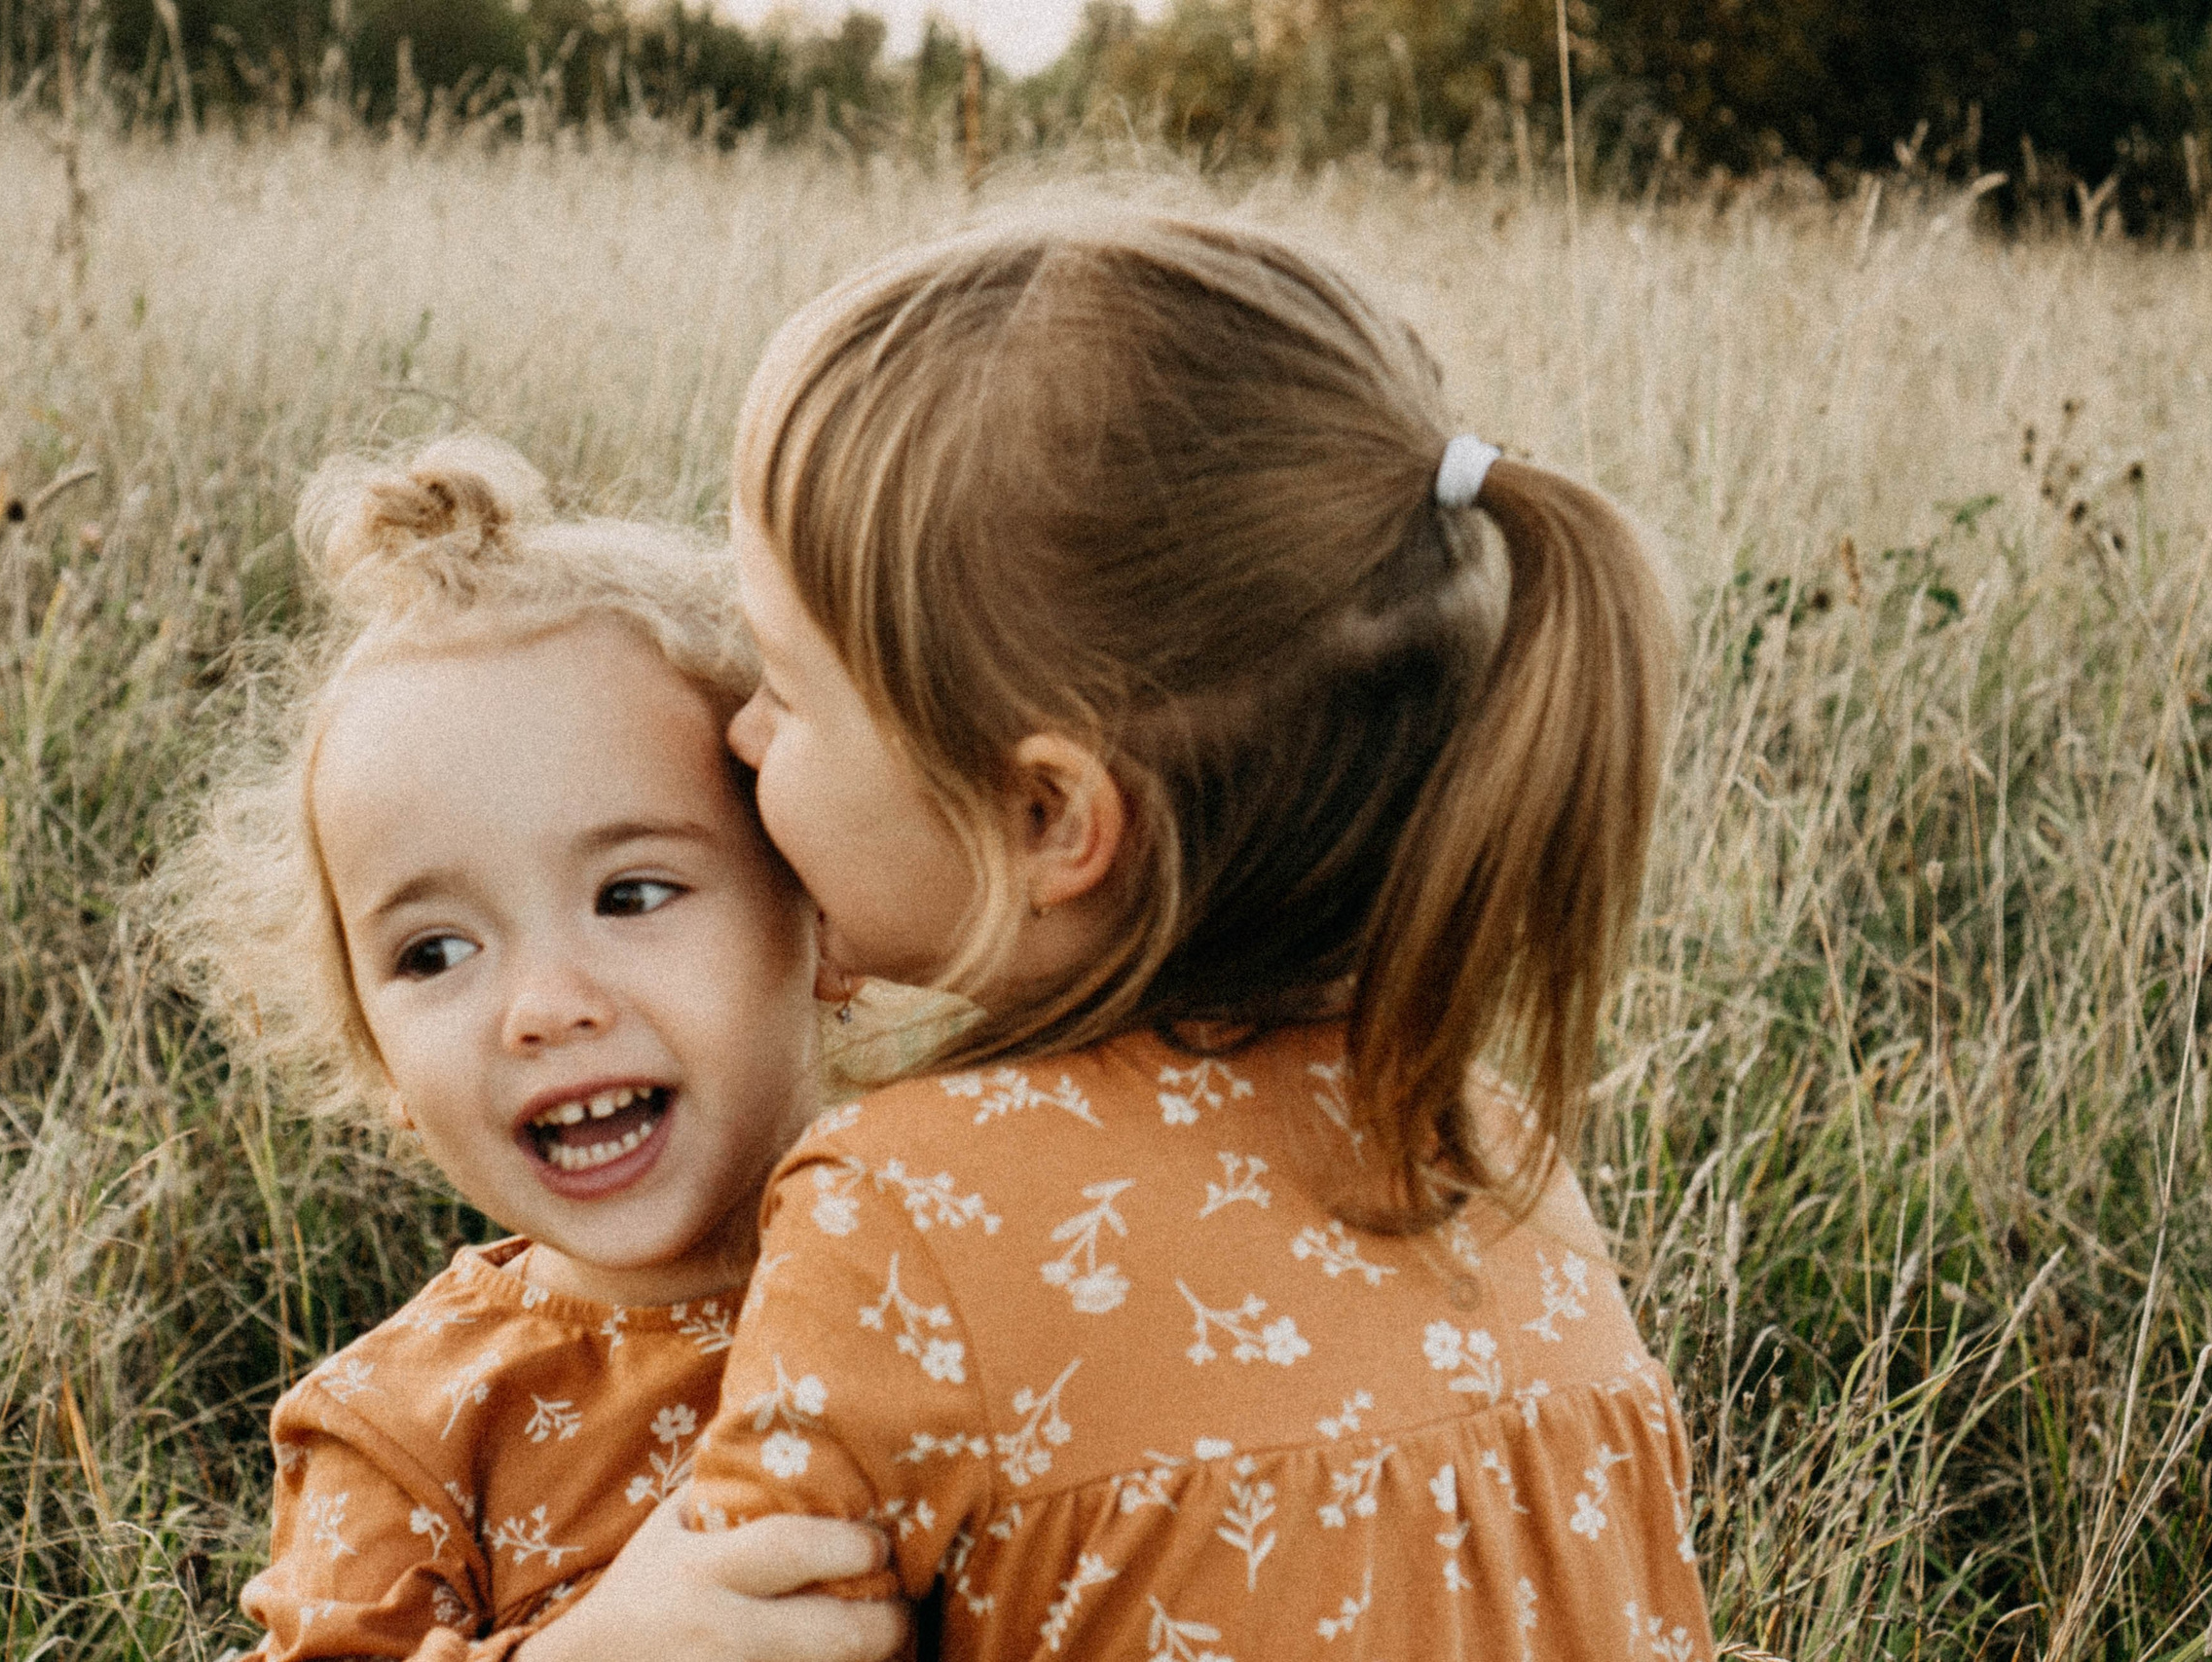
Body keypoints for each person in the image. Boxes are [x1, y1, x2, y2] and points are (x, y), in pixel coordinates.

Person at [689, 207, 1715, 1658]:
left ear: (1049, 818)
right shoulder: (1502, 1159)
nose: (738, 733)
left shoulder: (905, 1212)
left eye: (787, 691)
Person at [161, 435, 906, 1662]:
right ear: (376, 1058)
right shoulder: (412, 1427)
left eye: (631, 894)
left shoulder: (956, 1264)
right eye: (436, 955)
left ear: (821, 914)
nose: (544, 1007)